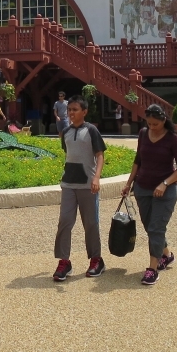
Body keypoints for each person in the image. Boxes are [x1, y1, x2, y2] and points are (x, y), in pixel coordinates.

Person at [121, 104, 177, 286]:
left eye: (155, 124)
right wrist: (128, 183)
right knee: (150, 227)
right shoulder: (143, 134)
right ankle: (167, 255)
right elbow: (138, 160)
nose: (152, 127)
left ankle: (152, 269)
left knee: (157, 228)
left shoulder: (173, 139)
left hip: (165, 190)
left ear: (164, 121)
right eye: (149, 124)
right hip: (142, 188)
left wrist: (165, 184)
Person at [53, 95, 107, 282]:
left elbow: (100, 155)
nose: (71, 113)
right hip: (68, 184)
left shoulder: (92, 130)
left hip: (87, 185)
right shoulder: (66, 132)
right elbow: (69, 154)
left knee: (90, 223)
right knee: (65, 221)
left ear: (84, 112)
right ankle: (64, 261)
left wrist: (96, 177)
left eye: (75, 110)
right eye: (69, 110)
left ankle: (96, 259)